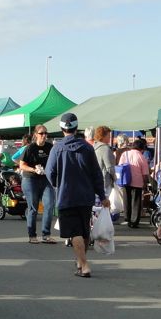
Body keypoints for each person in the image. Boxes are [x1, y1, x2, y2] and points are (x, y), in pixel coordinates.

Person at [46, 113, 110, 278]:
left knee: (74, 232)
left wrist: (57, 183)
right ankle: (81, 262)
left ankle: (84, 264)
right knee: (84, 231)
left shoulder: (57, 148)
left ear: (62, 128)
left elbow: (50, 172)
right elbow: (97, 174)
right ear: (76, 127)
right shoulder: (87, 148)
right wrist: (102, 196)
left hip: (66, 196)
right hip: (85, 196)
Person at [18, 125, 56, 244]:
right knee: (33, 208)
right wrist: (34, 169)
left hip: (45, 179)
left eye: (45, 133)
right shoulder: (30, 148)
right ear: (35, 135)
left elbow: (55, 162)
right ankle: (32, 235)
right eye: (41, 133)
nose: (44, 135)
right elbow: (22, 165)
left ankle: (46, 234)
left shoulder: (50, 147)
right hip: (31, 179)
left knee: (49, 205)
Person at [118, 138, 150, 228]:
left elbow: (120, 166)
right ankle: (134, 221)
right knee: (136, 201)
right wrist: (145, 183)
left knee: (126, 199)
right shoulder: (141, 157)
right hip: (137, 182)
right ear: (142, 148)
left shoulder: (125, 154)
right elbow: (145, 173)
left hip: (125, 180)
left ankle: (127, 217)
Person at [93, 126, 115, 197]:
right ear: (103, 136)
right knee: (105, 205)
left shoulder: (94, 147)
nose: (110, 137)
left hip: (95, 181)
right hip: (105, 182)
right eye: (108, 135)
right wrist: (115, 178)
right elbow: (109, 168)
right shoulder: (105, 148)